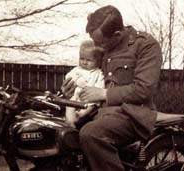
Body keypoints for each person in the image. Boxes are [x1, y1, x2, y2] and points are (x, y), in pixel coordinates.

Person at [61, 5, 163, 171]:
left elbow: (144, 89)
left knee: (91, 134)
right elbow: (90, 77)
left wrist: (103, 93)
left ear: (117, 34)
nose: (97, 47)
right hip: (99, 113)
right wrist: (70, 92)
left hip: (132, 116)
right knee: (59, 134)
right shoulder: (105, 47)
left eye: (100, 43)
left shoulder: (145, 45)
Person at [64, 40, 104, 127]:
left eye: (89, 60)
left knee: (91, 105)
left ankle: (81, 114)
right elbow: (68, 77)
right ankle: (70, 122)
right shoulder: (77, 70)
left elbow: (100, 86)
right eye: (82, 59)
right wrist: (77, 80)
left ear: (97, 62)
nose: (84, 62)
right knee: (70, 104)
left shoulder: (98, 73)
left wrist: (95, 91)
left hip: (90, 98)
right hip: (76, 95)